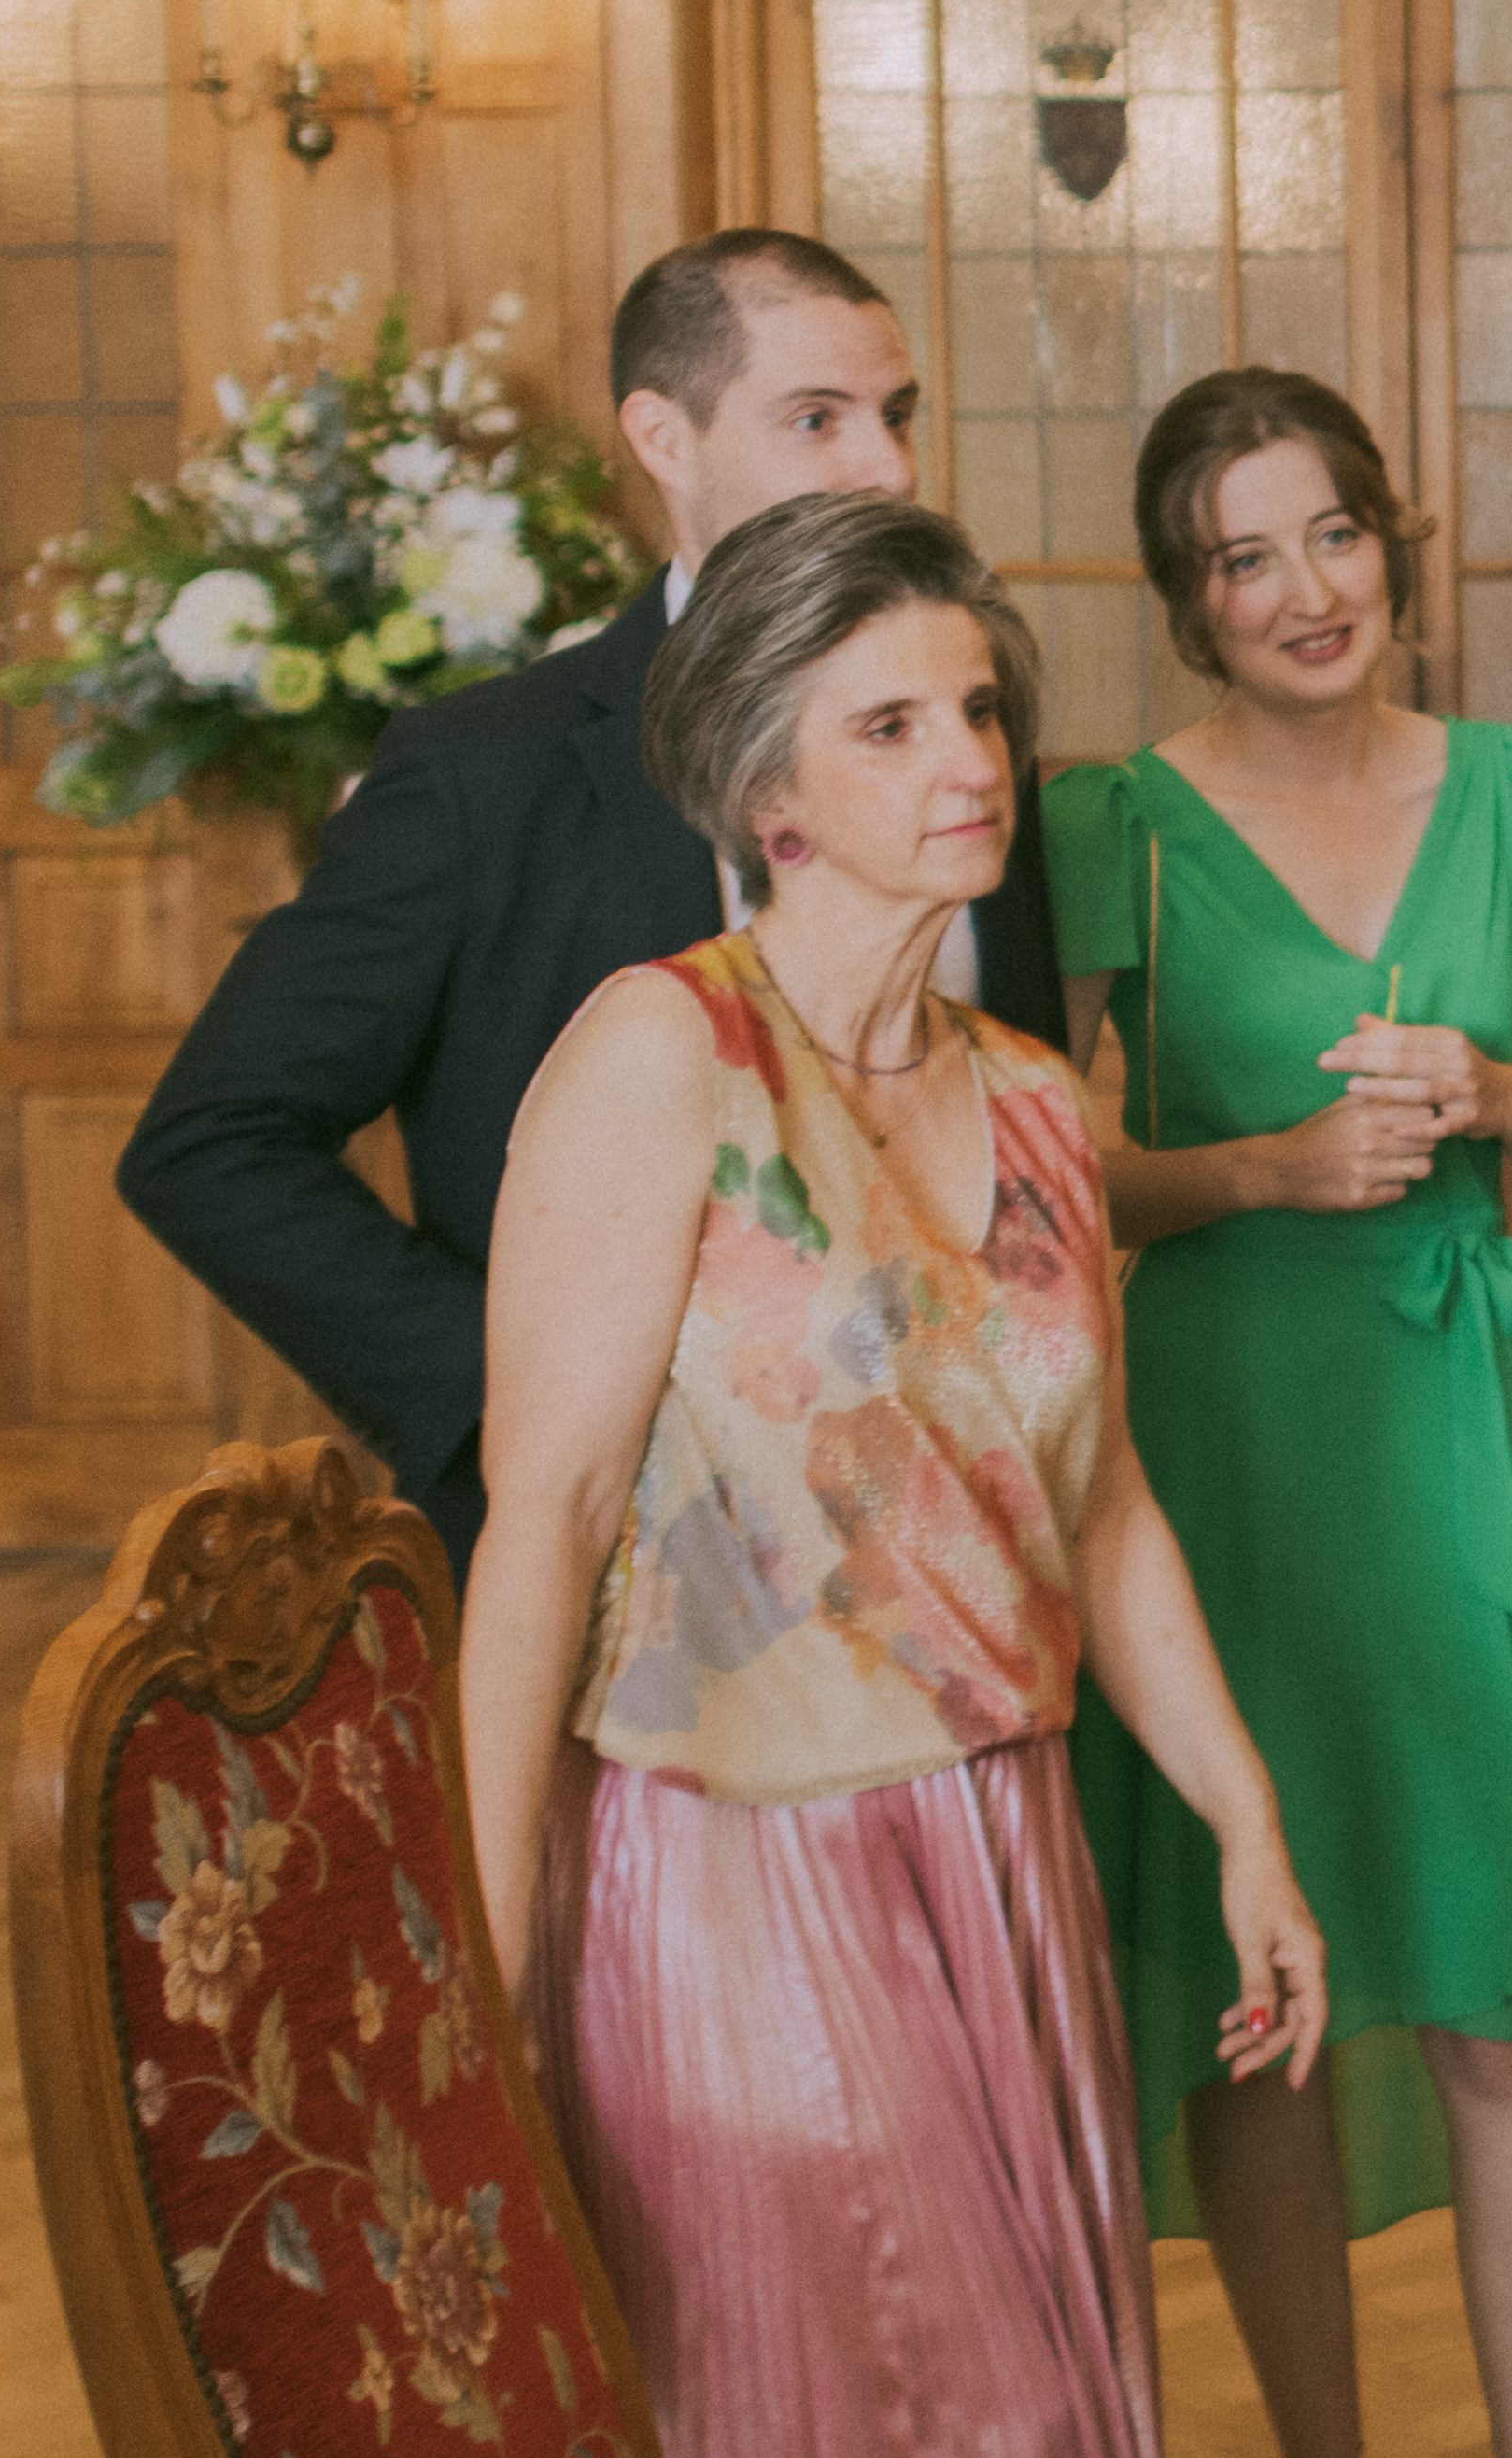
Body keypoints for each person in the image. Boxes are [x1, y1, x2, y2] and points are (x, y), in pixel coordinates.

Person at [453, 493, 1329, 2458]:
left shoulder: (1041, 1098)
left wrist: (1243, 1813)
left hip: (1002, 1846)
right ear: (768, 787)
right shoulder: (663, 1058)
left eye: (978, 708)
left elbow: (1105, 1498)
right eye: (894, 721)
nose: (970, 757)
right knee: (842, 2446)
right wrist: (479, 1945)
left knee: (1025, 2440)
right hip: (732, 1869)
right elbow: (533, 1509)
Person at [1041, 367, 1512, 2458]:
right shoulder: (1108, 827)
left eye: (1332, 537)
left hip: (1444, 1440)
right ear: (1178, 591)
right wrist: (1269, 1162)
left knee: (1506, 2008)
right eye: (1238, 555)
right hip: (1211, 1458)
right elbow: (1061, 1166)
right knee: (1259, 2021)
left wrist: (1503, 1103)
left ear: (1391, 544)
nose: (1301, 590)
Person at [121, 231, 1064, 1554]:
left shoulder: (974, 743)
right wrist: (511, 1400)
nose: (888, 468)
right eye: (816, 418)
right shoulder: (482, 773)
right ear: (662, 437)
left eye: (895, 415)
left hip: (952, 1529)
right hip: (612, 1549)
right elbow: (211, 1143)